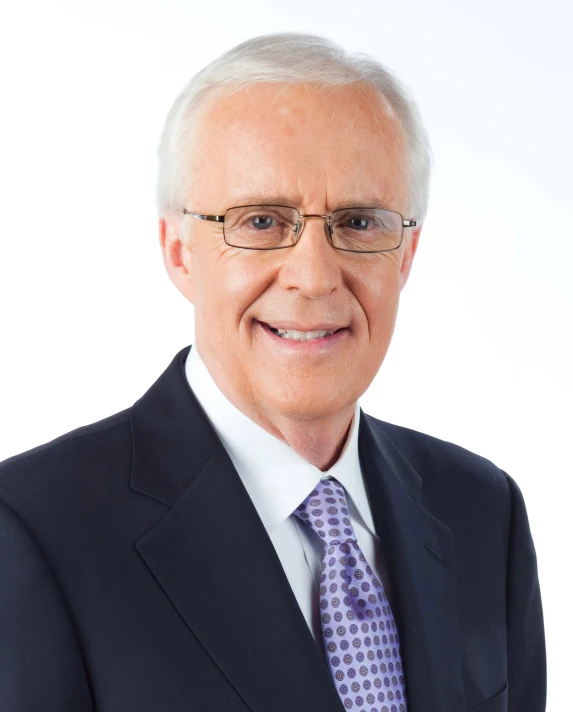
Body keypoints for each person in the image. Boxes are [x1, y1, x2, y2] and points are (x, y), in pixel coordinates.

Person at [0, 33, 545, 712]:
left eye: (358, 221)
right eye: (260, 221)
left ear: (403, 255)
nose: (314, 277)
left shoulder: (481, 511)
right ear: (179, 251)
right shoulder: (30, 530)